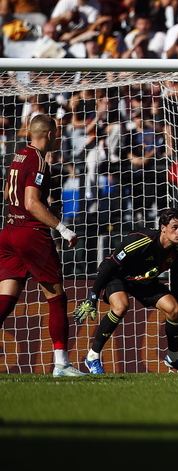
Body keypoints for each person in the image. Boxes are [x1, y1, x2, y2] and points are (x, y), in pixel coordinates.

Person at [0, 114, 86, 377]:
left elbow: (7, 194)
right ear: (50, 134)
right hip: (31, 235)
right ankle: (61, 363)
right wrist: (62, 228)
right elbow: (31, 203)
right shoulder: (38, 160)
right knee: (57, 298)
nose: (58, 139)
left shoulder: (18, 156)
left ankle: (62, 363)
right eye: (57, 134)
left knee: (6, 299)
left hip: (9, 232)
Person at [72, 208, 178, 374]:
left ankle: (172, 358)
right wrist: (92, 296)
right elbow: (109, 266)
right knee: (121, 306)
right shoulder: (141, 241)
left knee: (174, 310)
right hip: (118, 277)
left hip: (144, 281)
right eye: (175, 227)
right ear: (162, 227)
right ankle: (92, 356)